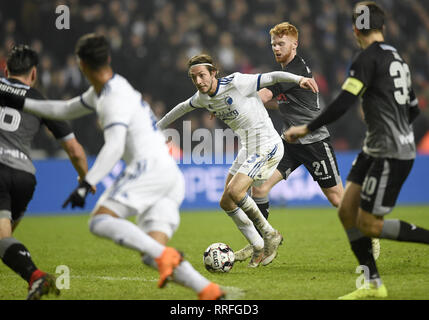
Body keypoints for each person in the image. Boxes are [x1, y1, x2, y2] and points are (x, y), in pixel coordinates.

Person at [0, 34, 224, 300]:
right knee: (152, 253)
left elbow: (115, 146)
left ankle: (168, 256)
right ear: (107, 59)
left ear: (80, 65)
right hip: (169, 175)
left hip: (148, 170)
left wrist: (86, 183)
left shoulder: (112, 97)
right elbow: (62, 110)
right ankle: (208, 291)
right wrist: (22, 101)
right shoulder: (110, 89)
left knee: (100, 220)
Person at [285, 1, 428, 299]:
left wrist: (306, 128)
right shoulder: (397, 58)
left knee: (369, 224)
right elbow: (414, 109)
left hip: (389, 152)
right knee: (346, 212)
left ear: (354, 30)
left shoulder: (365, 59)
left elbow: (344, 102)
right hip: (375, 147)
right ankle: (373, 284)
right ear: (383, 27)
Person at [156, 53, 319, 268]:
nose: (198, 82)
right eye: (193, 78)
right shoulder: (202, 97)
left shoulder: (237, 82)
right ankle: (258, 244)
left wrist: (298, 80)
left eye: (202, 76)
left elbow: (272, 76)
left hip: (267, 145)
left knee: (236, 192)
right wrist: (155, 128)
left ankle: (269, 234)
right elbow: (181, 108)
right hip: (248, 147)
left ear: (213, 73)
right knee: (226, 201)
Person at [234, 22, 346, 262]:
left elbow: (264, 95)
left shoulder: (295, 70)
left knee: (338, 199)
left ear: (295, 44)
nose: (276, 47)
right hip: (290, 143)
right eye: (273, 43)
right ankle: (263, 241)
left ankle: (369, 233)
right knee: (260, 187)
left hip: (314, 142)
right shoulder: (285, 74)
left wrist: (229, 106)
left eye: (281, 43)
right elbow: (278, 101)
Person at [0, 45, 90, 300]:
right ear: (34, 74)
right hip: (24, 176)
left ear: (6, 69)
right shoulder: (40, 100)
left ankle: (36, 276)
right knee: (4, 240)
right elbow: (74, 149)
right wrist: (85, 178)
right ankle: (33, 276)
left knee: (2, 238)